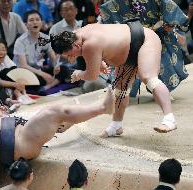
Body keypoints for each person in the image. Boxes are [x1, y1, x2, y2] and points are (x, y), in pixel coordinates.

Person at [39, 21, 177, 135]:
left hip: (145, 39)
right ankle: (116, 125)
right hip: (127, 53)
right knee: (120, 89)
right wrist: (99, 61)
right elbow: (104, 45)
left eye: (70, 54)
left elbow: (92, 75)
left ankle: (169, 119)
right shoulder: (78, 33)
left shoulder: (89, 45)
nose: (71, 57)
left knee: (149, 78)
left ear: (75, 45)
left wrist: (78, 74)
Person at [0, 87, 115, 172]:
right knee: (55, 112)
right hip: (16, 141)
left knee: (59, 122)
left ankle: (86, 114)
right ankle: (102, 109)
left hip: (15, 131)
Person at [99, 0, 190, 96]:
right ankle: (120, 91)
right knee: (126, 71)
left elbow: (169, 8)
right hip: (128, 39)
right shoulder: (112, 4)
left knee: (161, 65)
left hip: (155, 36)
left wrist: (170, 25)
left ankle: (160, 91)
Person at [13, 10, 70, 95]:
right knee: (34, 80)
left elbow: (53, 58)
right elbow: (23, 65)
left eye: (37, 19)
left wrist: (56, 66)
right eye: (31, 20)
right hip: (24, 72)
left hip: (38, 69)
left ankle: (47, 87)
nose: (35, 22)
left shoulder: (45, 38)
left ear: (42, 22)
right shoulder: (20, 41)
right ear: (25, 24)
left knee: (64, 69)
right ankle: (49, 83)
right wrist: (44, 74)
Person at [0, 38, 36, 105]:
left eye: (4, 50)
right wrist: (15, 84)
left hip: (9, 87)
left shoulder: (6, 58)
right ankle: (14, 97)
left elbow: (16, 72)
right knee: (0, 78)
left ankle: (22, 95)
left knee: (13, 71)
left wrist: (20, 86)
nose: (1, 52)